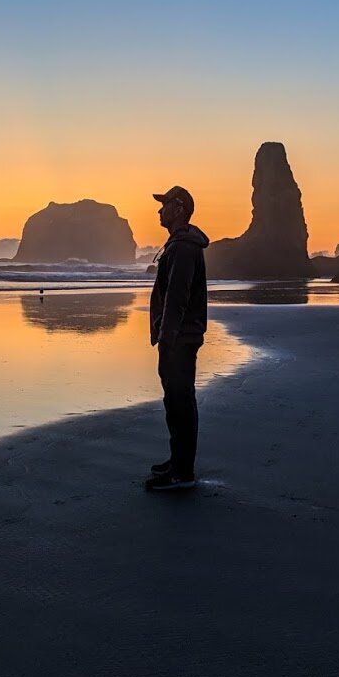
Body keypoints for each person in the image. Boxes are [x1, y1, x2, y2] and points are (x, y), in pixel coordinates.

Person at [145, 185, 209, 491]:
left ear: (179, 208)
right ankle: (178, 461)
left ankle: (182, 472)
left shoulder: (183, 248)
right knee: (176, 401)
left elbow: (177, 297)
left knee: (180, 401)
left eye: (165, 204)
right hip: (180, 336)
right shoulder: (180, 245)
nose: (160, 210)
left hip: (180, 338)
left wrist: (167, 337)